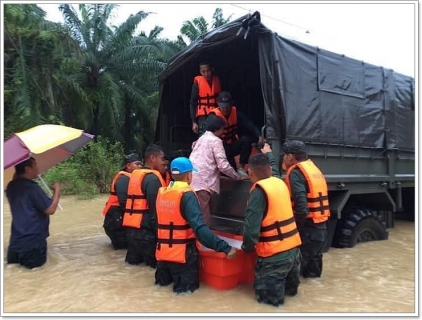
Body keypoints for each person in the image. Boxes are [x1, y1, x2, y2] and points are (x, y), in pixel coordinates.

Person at [155, 157, 238, 294]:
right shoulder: (187, 195)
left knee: (162, 292)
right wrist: (225, 247)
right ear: (188, 175)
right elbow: (200, 230)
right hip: (182, 256)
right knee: (186, 297)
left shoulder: (162, 193)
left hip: (162, 255)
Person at [242, 145, 302, 307]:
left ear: (250, 173)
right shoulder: (279, 181)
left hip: (274, 259)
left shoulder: (258, 192)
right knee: (291, 298)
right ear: (269, 169)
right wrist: (268, 151)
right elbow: (274, 168)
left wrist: (246, 248)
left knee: (269, 305)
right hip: (294, 254)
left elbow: (251, 230)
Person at [282, 140, 330, 278]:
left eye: (284, 155)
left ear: (290, 156)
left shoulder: (296, 173)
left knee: (294, 273)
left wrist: (295, 228)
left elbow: (302, 208)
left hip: (308, 230)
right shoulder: (313, 168)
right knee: (313, 274)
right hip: (321, 228)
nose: (283, 159)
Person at [189, 115, 248, 225]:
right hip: (204, 184)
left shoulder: (201, 139)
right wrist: (237, 177)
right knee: (204, 219)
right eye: (222, 129)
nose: (223, 132)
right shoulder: (215, 141)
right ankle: (202, 241)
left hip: (193, 181)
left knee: (198, 214)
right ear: (217, 129)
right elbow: (223, 166)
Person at [6, 157, 61, 269]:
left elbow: (15, 179)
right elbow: (50, 209)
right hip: (33, 245)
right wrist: (57, 191)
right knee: (38, 279)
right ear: (28, 169)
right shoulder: (32, 188)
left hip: (15, 245)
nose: (38, 168)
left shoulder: (10, 186)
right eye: (35, 165)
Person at [123, 144, 166, 268]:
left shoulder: (135, 175)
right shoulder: (152, 178)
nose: (163, 162)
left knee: (133, 268)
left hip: (131, 231)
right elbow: (155, 210)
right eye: (161, 158)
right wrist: (160, 234)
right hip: (145, 232)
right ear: (152, 158)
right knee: (154, 269)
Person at [208, 91, 262, 176]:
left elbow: (249, 124)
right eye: (223, 107)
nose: (225, 109)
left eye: (227, 107)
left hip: (231, 145)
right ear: (218, 104)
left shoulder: (236, 113)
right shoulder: (213, 117)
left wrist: (259, 135)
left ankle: (241, 167)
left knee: (246, 140)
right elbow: (205, 134)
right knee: (228, 171)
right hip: (219, 149)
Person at [102, 153, 143, 250]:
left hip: (116, 219)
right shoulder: (123, 179)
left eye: (141, 164)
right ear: (128, 166)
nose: (140, 167)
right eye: (137, 164)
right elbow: (124, 202)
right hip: (115, 221)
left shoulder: (128, 177)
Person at [190, 61, 222, 137]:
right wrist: (194, 122)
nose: (206, 74)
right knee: (203, 137)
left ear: (212, 70)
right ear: (200, 72)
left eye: (208, 71)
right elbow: (192, 103)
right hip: (203, 116)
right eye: (203, 71)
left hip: (215, 114)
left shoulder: (217, 80)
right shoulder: (197, 83)